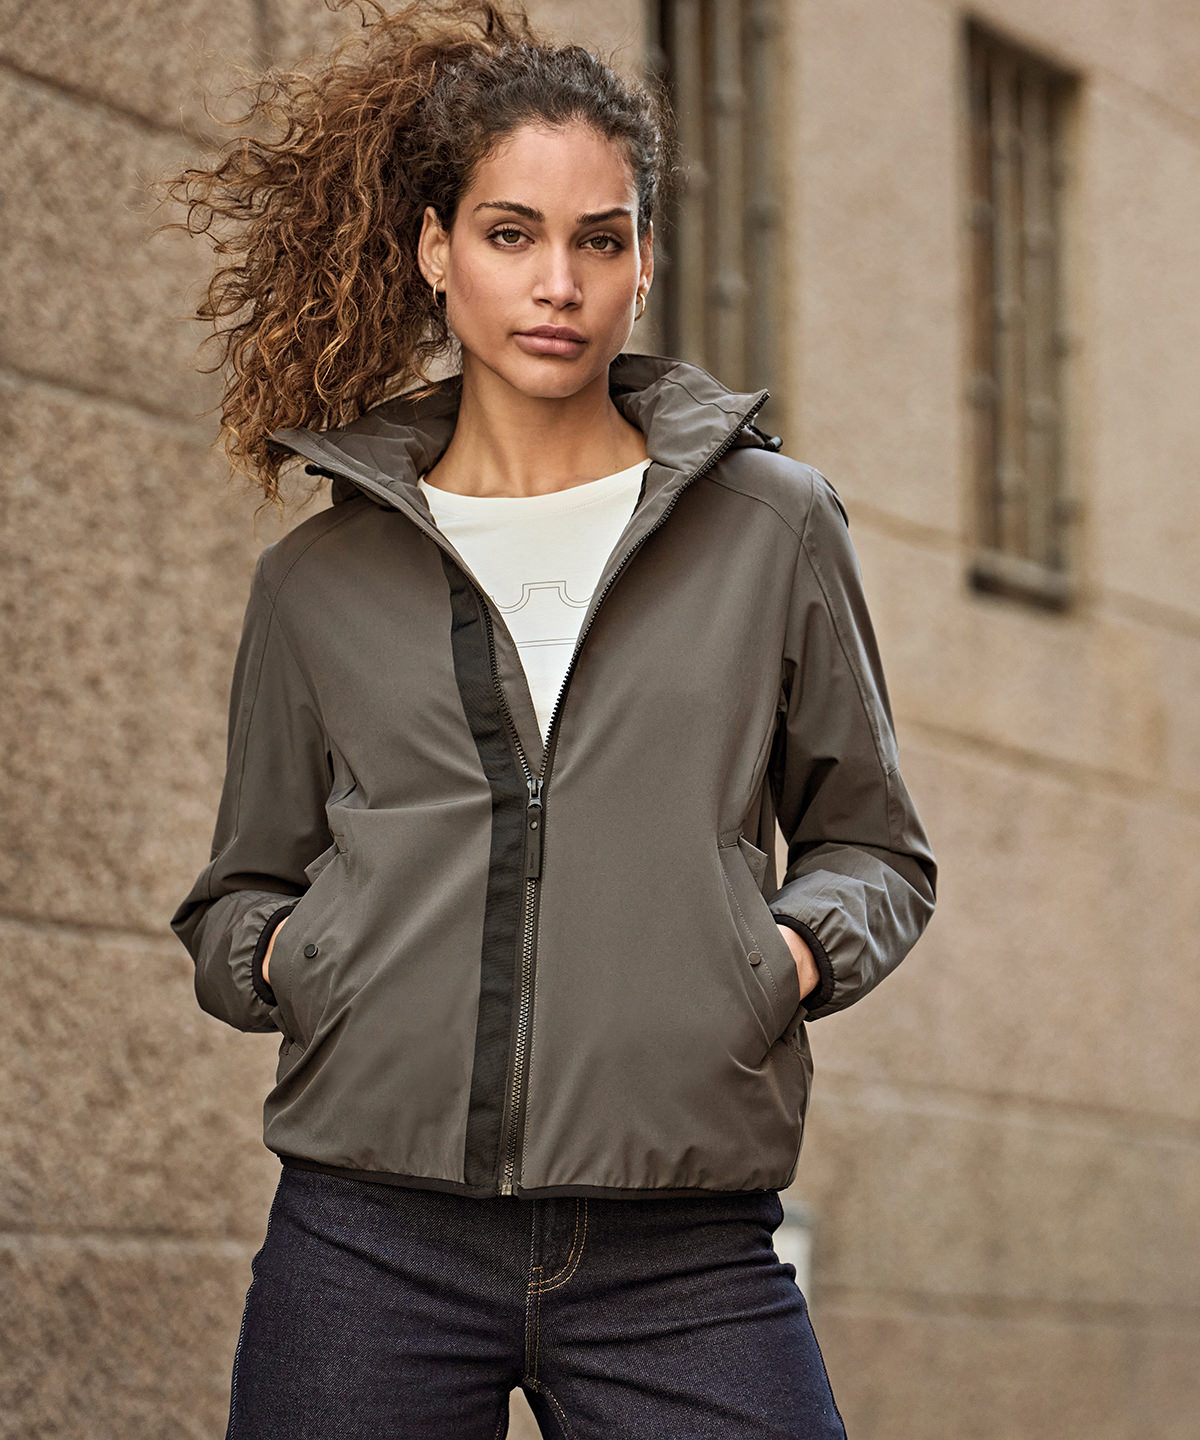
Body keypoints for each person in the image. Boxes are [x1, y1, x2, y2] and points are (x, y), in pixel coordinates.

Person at [165, 2, 937, 1435]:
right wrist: (302, 957)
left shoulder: (772, 526)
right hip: (369, 1237)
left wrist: (767, 962)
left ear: (645, 263)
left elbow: (876, 849)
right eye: (511, 233)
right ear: (434, 251)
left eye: (600, 238)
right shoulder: (321, 578)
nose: (558, 282)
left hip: (683, 1243)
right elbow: (240, 890)